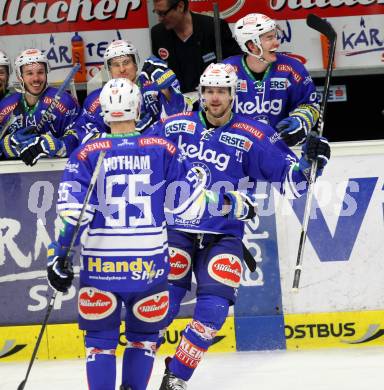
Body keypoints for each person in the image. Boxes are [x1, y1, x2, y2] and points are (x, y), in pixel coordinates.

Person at [46, 78, 255, 390]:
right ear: (139, 108)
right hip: (150, 266)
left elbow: (72, 216)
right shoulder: (163, 149)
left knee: (100, 345)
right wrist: (232, 202)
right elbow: (190, 206)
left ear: (104, 110)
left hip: (102, 268)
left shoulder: (86, 153)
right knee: (142, 341)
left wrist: (57, 257)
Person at [148, 63, 330, 389]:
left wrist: (311, 160)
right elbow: (139, 158)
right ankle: (134, 375)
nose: (214, 98)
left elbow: (294, 182)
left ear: (233, 94)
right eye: (209, 91)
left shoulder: (254, 134)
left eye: (221, 91)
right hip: (176, 230)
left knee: (213, 312)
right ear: (201, 93)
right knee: (159, 309)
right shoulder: (174, 127)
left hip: (225, 236)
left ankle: (176, 376)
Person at [222, 13, 320, 147]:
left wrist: (301, 120)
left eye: (275, 36)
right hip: (237, 152)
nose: (277, 43)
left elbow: (310, 105)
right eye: (269, 38)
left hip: (279, 150)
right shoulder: (224, 71)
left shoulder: (292, 68)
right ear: (251, 45)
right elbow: (207, 113)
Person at [76, 39, 191, 142]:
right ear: (109, 70)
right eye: (116, 65)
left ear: (135, 64)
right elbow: (83, 134)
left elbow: (179, 118)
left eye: (126, 62)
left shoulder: (153, 89)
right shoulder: (97, 98)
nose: (122, 69)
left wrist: (167, 90)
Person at [0, 48, 80, 165]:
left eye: (40, 72)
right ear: (19, 76)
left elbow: (80, 136)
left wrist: (57, 145)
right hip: (15, 178)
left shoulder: (65, 101)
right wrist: (7, 145)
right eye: (29, 73)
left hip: (56, 173)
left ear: (46, 72)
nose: (36, 79)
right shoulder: (5, 106)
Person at [151, 0, 242, 93]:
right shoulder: (157, 34)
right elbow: (158, 73)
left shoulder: (214, 27)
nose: (159, 19)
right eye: (157, 13)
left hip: (213, 100)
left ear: (180, 6)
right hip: (178, 103)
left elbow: (237, 63)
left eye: (163, 13)